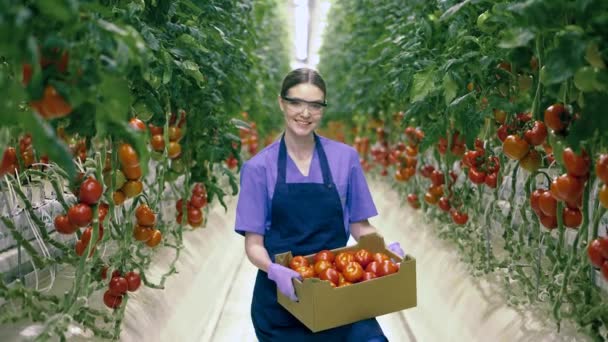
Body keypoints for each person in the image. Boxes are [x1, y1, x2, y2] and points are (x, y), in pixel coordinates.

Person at [234, 68, 404, 342]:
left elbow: (360, 226)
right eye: (296, 102)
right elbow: (254, 244)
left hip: (338, 292)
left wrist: (383, 251)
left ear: (323, 109)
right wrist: (273, 269)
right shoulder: (258, 169)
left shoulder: (344, 159)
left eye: (315, 105)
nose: (305, 113)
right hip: (281, 304)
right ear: (281, 103)